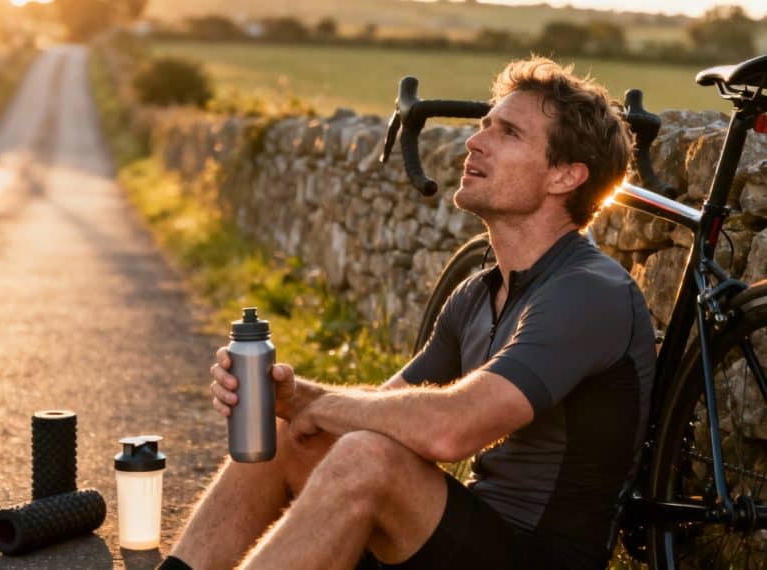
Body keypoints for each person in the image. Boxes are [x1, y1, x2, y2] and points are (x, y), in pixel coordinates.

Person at [158, 56, 656, 570]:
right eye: (484, 124)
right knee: (292, 437)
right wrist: (291, 399)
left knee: (367, 457)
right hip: (460, 539)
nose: (474, 141)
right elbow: (385, 407)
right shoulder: (477, 294)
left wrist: (320, 403)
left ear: (565, 176)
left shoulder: (588, 292)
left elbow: (450, 430)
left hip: (538, 556)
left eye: (508, 132)